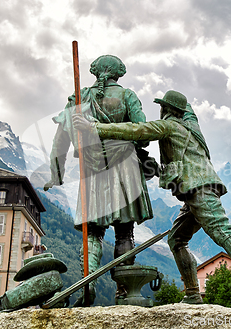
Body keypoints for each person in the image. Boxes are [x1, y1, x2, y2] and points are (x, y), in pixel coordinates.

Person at [72, 90, 231, 309]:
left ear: (166, 110)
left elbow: (138, 129)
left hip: (200, 190)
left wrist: (94, 128)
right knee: (177, 240)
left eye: (162, 108)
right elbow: (176, 166)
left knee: (223, 234)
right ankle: (192, 294)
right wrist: (151, 166)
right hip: (195, 192)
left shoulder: (169, 125)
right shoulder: (191, 127)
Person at [44, 55, 155, 306]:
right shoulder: (127, 96)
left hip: (92, 168)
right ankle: (124, 291)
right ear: (119, 73)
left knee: (92, 231)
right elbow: (143, 134)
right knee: (124, 230)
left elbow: (59, 141)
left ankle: (89, 282)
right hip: (125, 166)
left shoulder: (78, 99)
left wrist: (56, 173)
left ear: (95, 72)